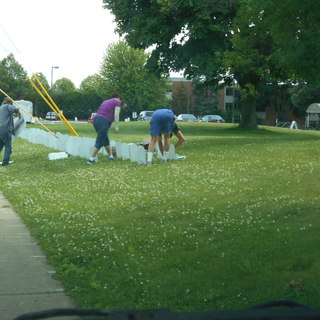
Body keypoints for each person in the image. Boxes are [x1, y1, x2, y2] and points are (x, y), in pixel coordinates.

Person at [87, 92, 123, 164]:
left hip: (96, 120)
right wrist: (116, 126)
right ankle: (91, 159)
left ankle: (111, 157)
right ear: (120, 99)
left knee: (105, 139)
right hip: (103, 121)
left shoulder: (106, 101)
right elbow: (116, 115)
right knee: (100, 140)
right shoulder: (118, 102)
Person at [0, 97, 22, 166]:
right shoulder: (7, 106)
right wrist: (19, 115)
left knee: (0, 146)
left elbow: (7, 116)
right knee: (8, 147)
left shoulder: (1, 107)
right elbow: (16, 109)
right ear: (9, 102)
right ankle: (5, 162)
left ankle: (5, 161)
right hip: (6, 129)